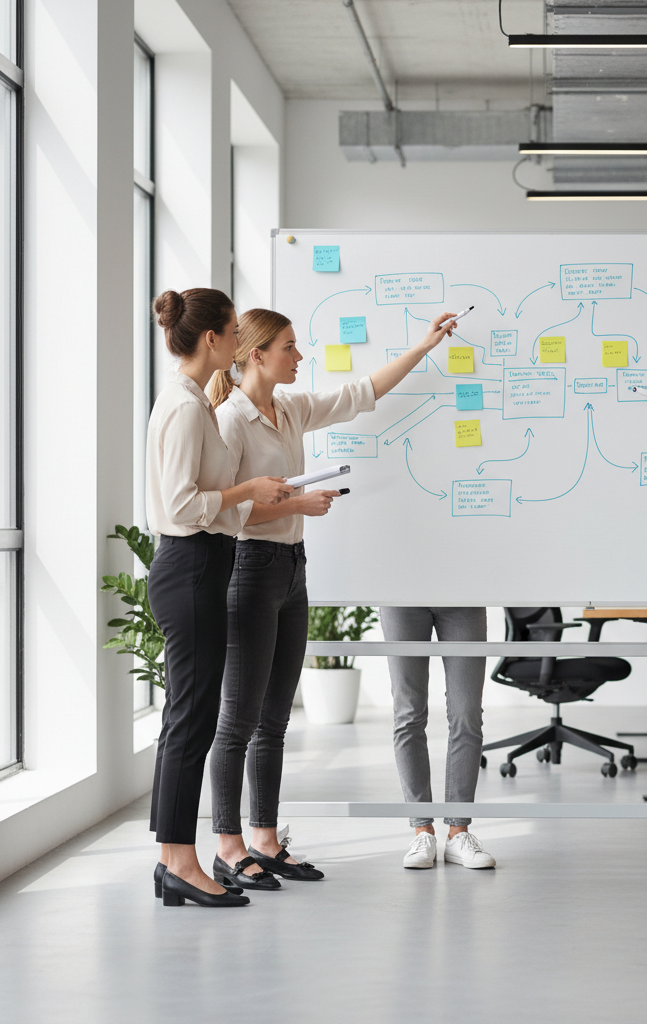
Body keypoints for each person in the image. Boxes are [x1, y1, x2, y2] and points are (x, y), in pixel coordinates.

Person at [207, 308, 458, 889]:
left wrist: (424, 345)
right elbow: (224, 505)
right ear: (256, 354)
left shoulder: (290, 408)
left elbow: (362, 393)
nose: (300, 357)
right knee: (237, 719)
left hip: (291, 569)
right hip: (249, 568)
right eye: (290, 348)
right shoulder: (230, 420)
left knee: (274, 719)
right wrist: (295, 505)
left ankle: (265, 840)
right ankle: (228, 846)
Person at [146, 288, 292, 908]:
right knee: (192, 717)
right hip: (194, 564)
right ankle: (179, 862)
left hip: (201, 564)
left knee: (188, 714)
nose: (238, 342)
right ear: (211, 339)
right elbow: (181, 506)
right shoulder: (184, 407)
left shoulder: (195, 402)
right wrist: (246, 492)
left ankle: (173, 858)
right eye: (233, 331)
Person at [380, 606, 495, 870]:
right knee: (408, 713)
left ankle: (458, 832)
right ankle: (422, 832)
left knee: (466, 713)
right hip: (402, 599)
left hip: (463, 597)